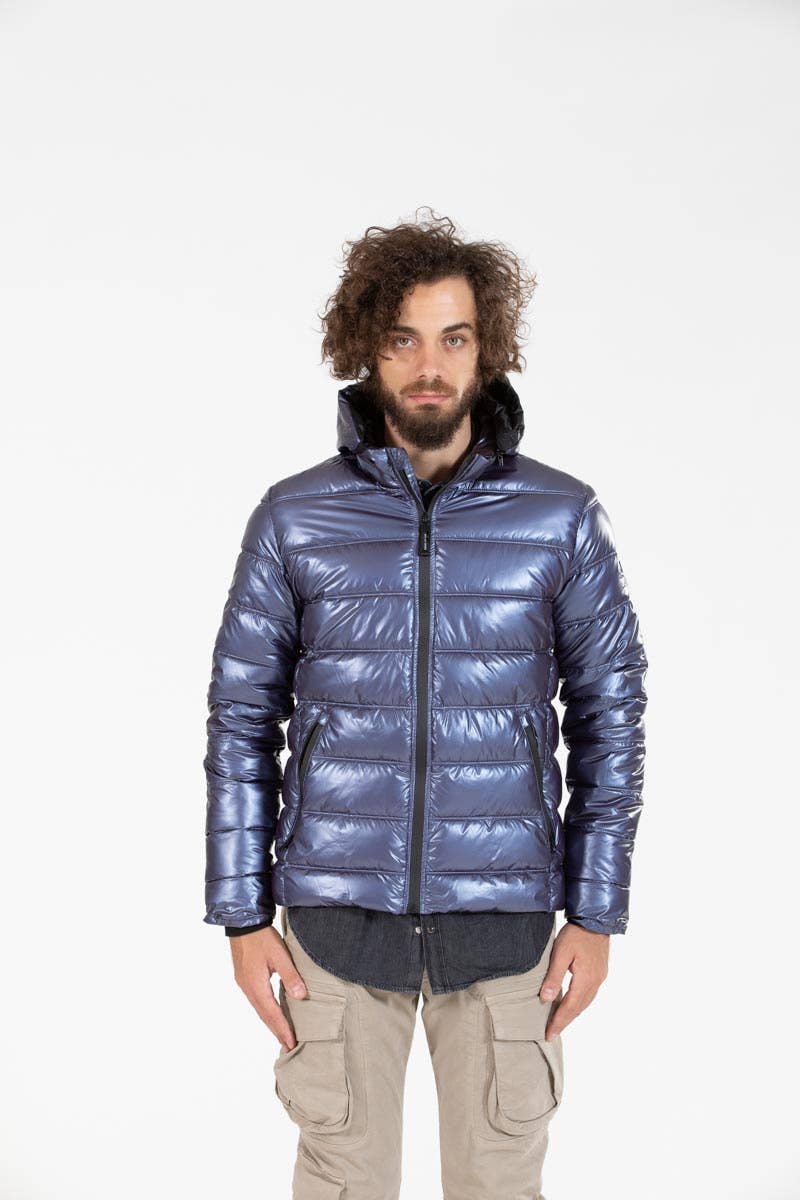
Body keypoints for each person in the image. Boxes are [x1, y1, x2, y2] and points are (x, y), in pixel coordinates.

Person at [203, 209, 648, 1199]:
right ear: (366, 348)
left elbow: (609, 716)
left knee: (497, 1185)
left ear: (486, 351)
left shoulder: (559, 517)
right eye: (403, 340)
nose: (429, 367)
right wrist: (240, 916)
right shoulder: (296, 517)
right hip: (333, 927)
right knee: (342, 1182)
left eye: (454, 338)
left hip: (503, 930)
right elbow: (241, 718)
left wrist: (595, 912)